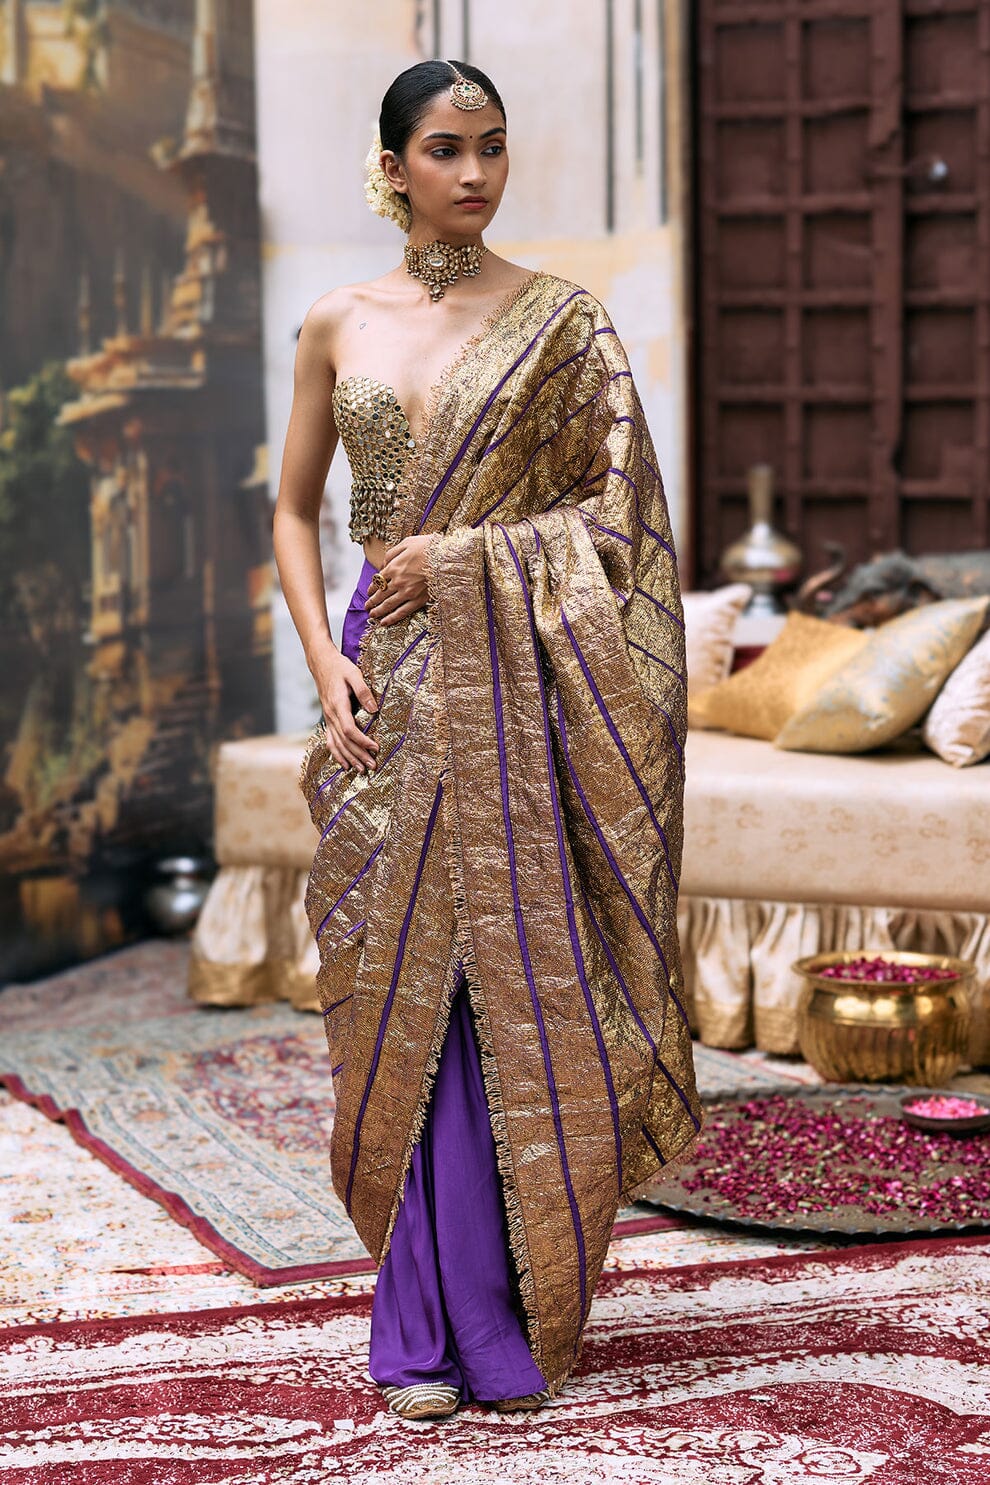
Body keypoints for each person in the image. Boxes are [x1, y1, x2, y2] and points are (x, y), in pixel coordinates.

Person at [273, 58, 703, 1422]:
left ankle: (468, 1318)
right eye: (447, 149)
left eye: (493, 147)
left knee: (496, 984)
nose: (475, 174)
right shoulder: (336, 320)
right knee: (390, 983)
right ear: (391, 166)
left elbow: (622, 525)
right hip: (379, 680)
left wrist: (463, 558)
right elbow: (293, 509)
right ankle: (428, 1308)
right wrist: (322, 658)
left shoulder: (562, 324)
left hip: (514, 682)